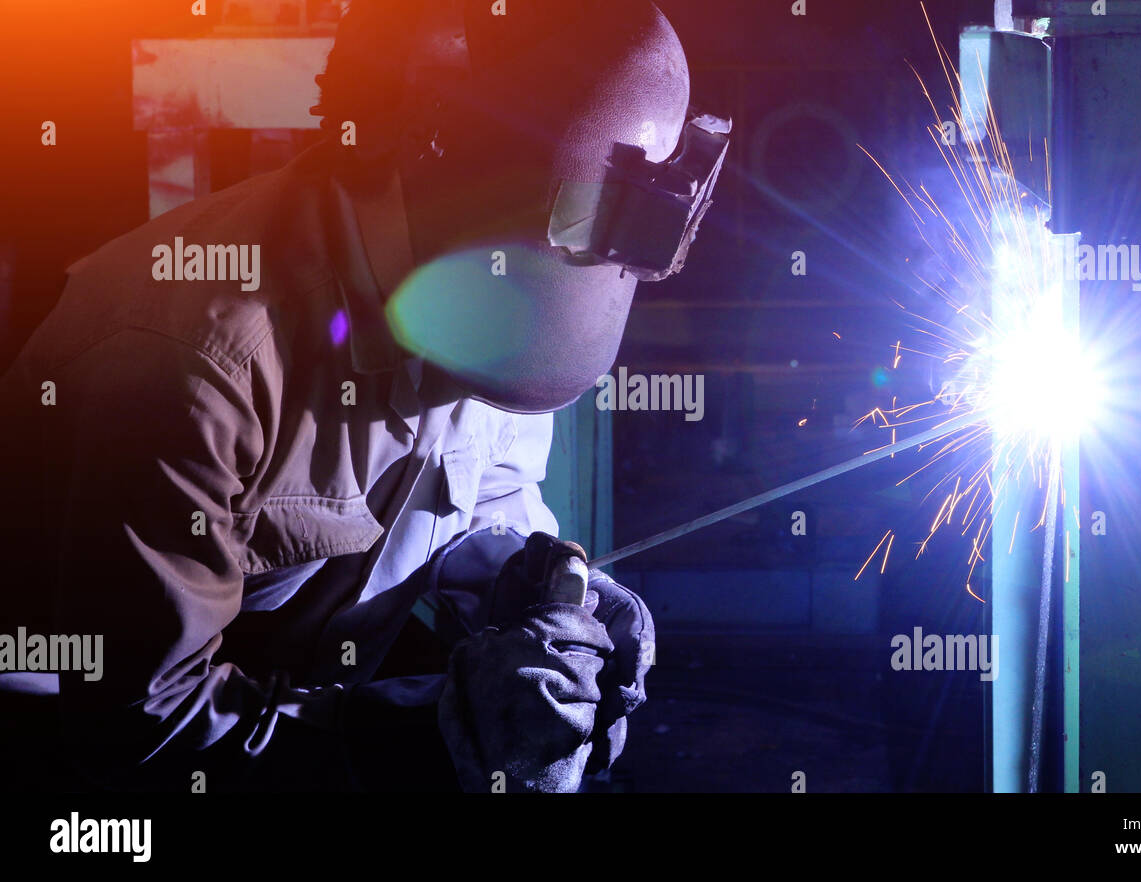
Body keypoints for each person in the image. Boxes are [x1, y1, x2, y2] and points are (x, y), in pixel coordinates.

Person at [0, 0, 728, 792]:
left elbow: (480, 494)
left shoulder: (510, 296)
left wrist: (535, 592)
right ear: (457, 156)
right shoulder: (191, 360)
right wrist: (433, 737)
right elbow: (136, 726)